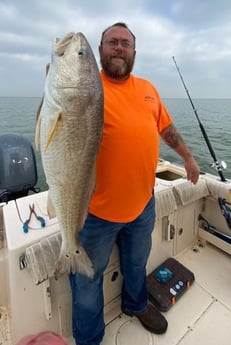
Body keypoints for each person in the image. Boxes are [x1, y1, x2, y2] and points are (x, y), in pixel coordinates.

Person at [69, 22, 200, 345]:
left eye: (125, 43)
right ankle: (89, 338)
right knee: (87, 279)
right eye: (111, 41)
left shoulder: (148, 89)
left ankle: (136, 304)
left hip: (143, 205)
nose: (118, 47)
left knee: (137, 263)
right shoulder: (86, 88)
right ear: (99, 50)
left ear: (134, 53)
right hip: (95, 214)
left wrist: (188, 157)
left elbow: (166, 128)